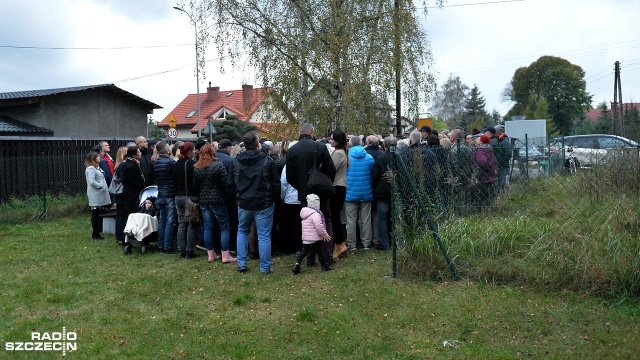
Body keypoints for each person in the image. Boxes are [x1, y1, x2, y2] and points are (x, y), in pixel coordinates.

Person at [228, 131, 280, 274]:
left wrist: (237, 197)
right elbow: (275, 182)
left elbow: (230, 183)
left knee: (243, 232)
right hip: (263, 202)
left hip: (245, 202)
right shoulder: (267, 160)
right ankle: (264, 267)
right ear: (258, 144)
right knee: (263, 235)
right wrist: (275, 197)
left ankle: (242, 263)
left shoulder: (236, 160)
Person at [286, 123, 336, 266]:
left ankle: (309, 258)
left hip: (304, 192)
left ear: (299, 132)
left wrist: (302, 187)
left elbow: (289, 176)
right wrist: (325, 183)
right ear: (311, 132)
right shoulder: (320, 147)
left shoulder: (292, 150)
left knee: (307, 223)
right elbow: (331, 169)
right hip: (321, 191)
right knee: (325, 221)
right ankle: (328, 256)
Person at [193, 144, 237, 263]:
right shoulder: (218, 165)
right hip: (218, 200)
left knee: (208, 227)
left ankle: (211, 254)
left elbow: (195, 186)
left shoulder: (197, 168)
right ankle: (225, 255)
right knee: (224, 227)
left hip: (204, 201)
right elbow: (226, 183)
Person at [345, 135, 374, 251]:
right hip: (366, 192)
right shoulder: (369, 158)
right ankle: (366, 243)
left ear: (350, 144)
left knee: (351, 220)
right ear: (362, 143)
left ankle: (351, 244)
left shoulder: (347, 157)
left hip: (350, 192)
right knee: (366, 220)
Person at [292, 194, 333, 274]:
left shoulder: (305, 213)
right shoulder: (316, 214)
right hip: (315, 238)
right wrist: (325, 235)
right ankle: (325, 266)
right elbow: (319, 227)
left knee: (304, 252)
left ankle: (296, 265)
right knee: (320, 252)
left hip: (306, 238)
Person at [115, 146, 146, 247]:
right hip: (131, 193)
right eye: (138, 152)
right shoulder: (131, 166)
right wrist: (142, 185)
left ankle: (126, 238)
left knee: (127, 215)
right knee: (130, 215)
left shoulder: (127, 164)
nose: (140, 153)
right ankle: (127, 239)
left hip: (128, 192)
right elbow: (133, 182)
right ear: (134, 155)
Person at [172, 142, 199, 259]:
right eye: (193, 150)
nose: (194, 152)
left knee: (181, 224)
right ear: (189, 152)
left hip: (178, 197)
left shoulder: (175, 165)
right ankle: (189, 251)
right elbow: (195, 182)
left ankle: (181, 250)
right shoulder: (192, 164)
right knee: (192, 224)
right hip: (190, 197)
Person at [370, 136, 396, 250]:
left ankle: (384, 244)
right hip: (396, 191)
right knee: (395, 218)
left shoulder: (380, 159)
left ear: (384, 145)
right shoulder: (400, 158)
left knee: (382, 219)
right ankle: (396, 243)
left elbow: (374, 176)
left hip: (383, 192)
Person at [153, 141, 176, 254]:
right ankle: (167, 247)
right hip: (169, 194)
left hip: (160, 193)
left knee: (162, 221)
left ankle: (161, 245)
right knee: (170, 222)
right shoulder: (170, 163)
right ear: (167, 150)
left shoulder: (156, 162)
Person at [329, 130, 349, 258]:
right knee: (335, 216)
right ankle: (339, 243)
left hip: (337, 186)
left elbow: (330, 168)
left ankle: (339, 244)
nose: (330, 140)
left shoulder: (338, 154)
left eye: (332, 139)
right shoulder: (341, 152)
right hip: (339, 186)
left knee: (335, 217)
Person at [448, 129, 477, 215]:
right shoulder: (469, 149)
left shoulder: (453, 151)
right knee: (468, 200)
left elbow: (457, 168)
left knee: (459, 201)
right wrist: (472, 178)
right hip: (469, 179)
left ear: (453, 138)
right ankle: (468, 215)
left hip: (458, 180)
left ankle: (461, 216)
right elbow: (475, 165)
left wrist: (468, 180)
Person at [85, 151, 112, 240]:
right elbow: (91, 181)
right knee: (95, 213)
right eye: (97, 157)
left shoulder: (97, 168)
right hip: (95, 194)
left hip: (100, 193)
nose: (99, 158)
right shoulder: (90, 169)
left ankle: (96, 233)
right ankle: (95, 232)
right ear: (93, 158)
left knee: (97, 213)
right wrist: (101, 186)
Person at [474, 135, 498, 207]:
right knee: (489, 195)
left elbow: (483, 163)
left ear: (481, 141)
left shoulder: (480, 151)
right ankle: (488, 208)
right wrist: (493, 169)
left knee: (482, 196)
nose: (476, 140)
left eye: (478, 139)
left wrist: (489, 169)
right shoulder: (489, 149)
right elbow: (494, 161)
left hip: (483, 176)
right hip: (490, 176)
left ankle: (482, 209)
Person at [493, 125, 512, 193]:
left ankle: (502, 197)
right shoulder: (498, 141)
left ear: (498, 132)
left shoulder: (505, 142)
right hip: (498, 166)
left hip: (503, 166)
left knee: (502, 183)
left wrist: (500, 162)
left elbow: (508, 154)